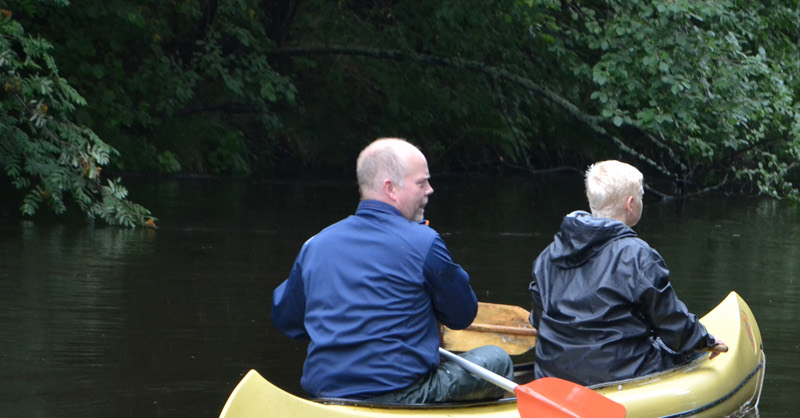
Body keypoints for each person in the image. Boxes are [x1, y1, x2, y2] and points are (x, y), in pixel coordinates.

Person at [271, 137, 513, 403]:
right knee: (497, 359)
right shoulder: (424, 242)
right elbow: (462, 315)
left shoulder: (315, 245)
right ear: (391, 189)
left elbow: (288, 322)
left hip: (326, 395)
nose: (430, 190)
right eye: (422, 183)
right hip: (401, 396)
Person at [529, 159, 727, 386]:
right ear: (631, 204)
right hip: (617, 375)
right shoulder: (638, 255)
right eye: (641, 196)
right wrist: (704, 341)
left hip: (553, 374)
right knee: (688, 353)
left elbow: (539, 318)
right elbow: (671, 322)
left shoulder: (547, 256)